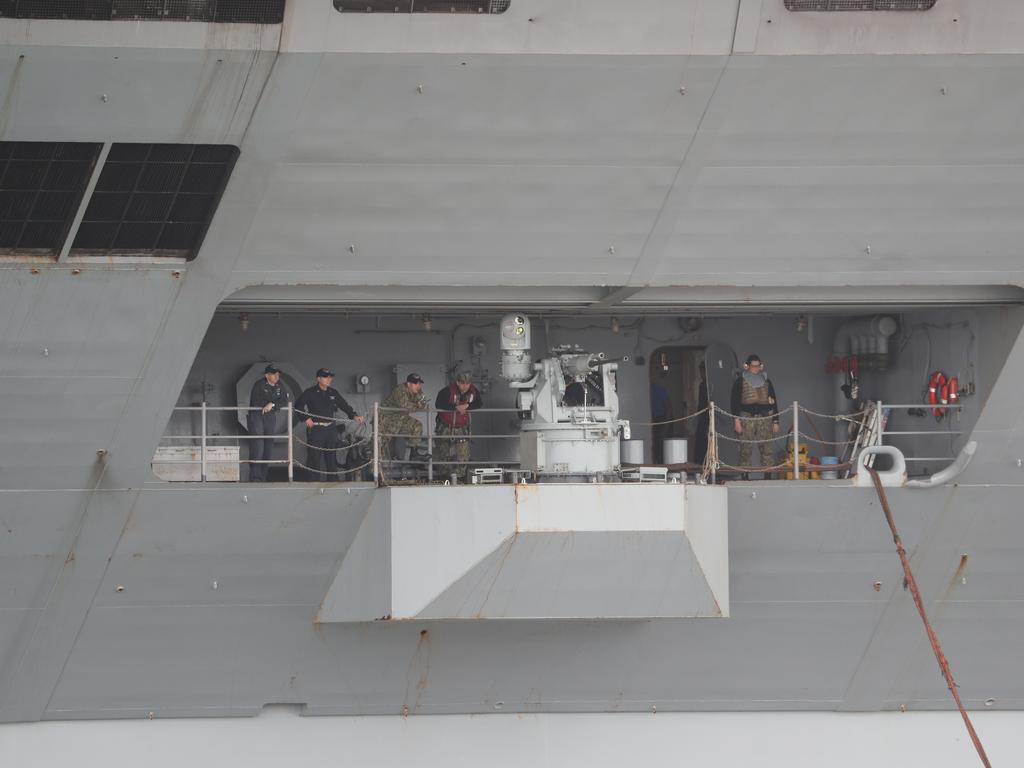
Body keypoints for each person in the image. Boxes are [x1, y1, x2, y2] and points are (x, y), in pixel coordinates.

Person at [294, 368, 364, 482]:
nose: (329, 379)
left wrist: (354, 416)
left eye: (330, 377)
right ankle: (313, 482)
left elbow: (344, 405)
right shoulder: (310, 392)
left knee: (331, 457)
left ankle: (333, 481)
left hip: (330, 429)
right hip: (316, 428)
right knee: (314, 457)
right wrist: (305, 418)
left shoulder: (333, 392)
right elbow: (298, 405)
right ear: (318, 379)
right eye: (326, 377)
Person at [730, 354, 779, 475]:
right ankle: (744, 476)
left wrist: (775, 421)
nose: (756, 368)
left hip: (764, 417)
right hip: (746, 417)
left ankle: (768, 476)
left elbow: (773, 401)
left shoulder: (767, 381)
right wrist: (736, 420)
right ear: (747, 366)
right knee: (745, 449)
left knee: (767, 449)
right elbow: (734, 402)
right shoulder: (740, 381)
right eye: (753, 366)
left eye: (758, 366)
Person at [433, 371, 483, 480]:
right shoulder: (446, 391)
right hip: (445, 427)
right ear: (457, 382)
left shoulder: (473, 391)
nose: (465, 386)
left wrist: (467, 406)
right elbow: (439, 404)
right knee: (443, 452)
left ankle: (460, 477)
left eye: (467, 383)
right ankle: (444, 477)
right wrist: (456, 408)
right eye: (462, 383)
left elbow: (479, 403)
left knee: (463, 453)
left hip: (462, 427)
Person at [247, 364, 290, 482]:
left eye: (278, 374)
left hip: (270, 417)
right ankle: (255, 477)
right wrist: (269, 403)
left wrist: (272, 404)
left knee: (268, 448)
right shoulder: (259, 385)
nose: (277, 376)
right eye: (274, 374)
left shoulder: (280, 386)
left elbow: (284, 401)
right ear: (267, 375)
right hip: (257, 416)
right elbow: (256, 400)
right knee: (258, 447)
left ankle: (263, 477)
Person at [380, 373, 429, 462]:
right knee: (380, 443)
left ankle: (414, 453)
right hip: (386, 419)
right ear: (409, 384)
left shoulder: (417, 390)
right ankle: (374, 469)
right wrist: (417, 405)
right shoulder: (399, 390)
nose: (418, 386)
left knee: (417, 425)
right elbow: (405, 406)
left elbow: (423, 402)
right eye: (416, 384)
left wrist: (419, 404)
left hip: (400, 417)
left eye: (419, 383)